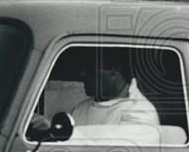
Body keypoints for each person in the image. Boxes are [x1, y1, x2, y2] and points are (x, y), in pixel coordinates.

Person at [29, 49, 159, 137]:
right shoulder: (81, 108)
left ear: (114, 71)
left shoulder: (141, 111)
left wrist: (58, 132)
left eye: (90, 69)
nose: (82, 74)